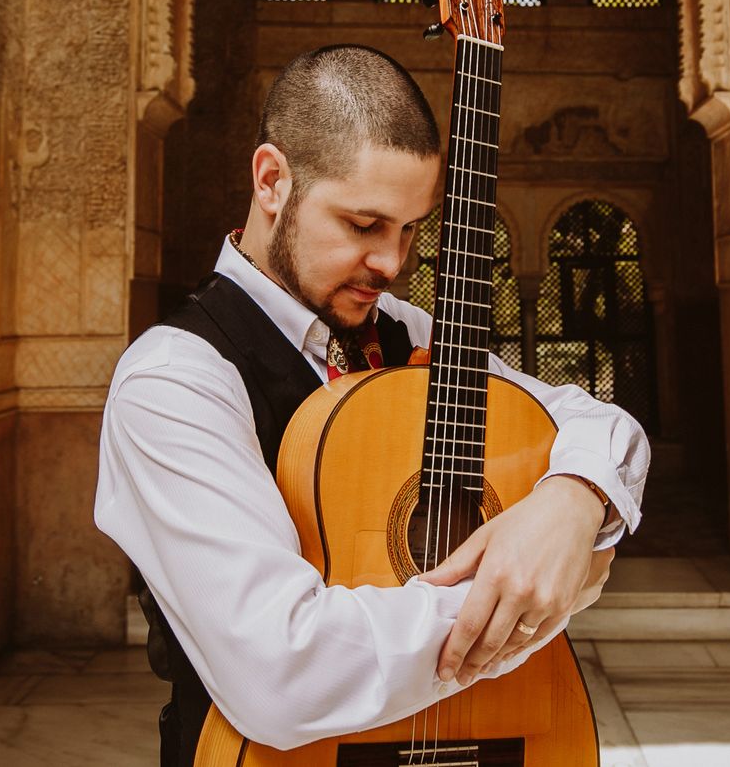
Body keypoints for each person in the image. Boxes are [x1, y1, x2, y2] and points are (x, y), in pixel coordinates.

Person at [94, 44, 650, 766]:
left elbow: (598, 422)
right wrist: (525, 597)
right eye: (364, 225)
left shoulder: (407, 334)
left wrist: (574, 503)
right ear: (271, 181)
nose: (393, 264)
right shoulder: (175, 381)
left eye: (412, 228)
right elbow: (283, 670)